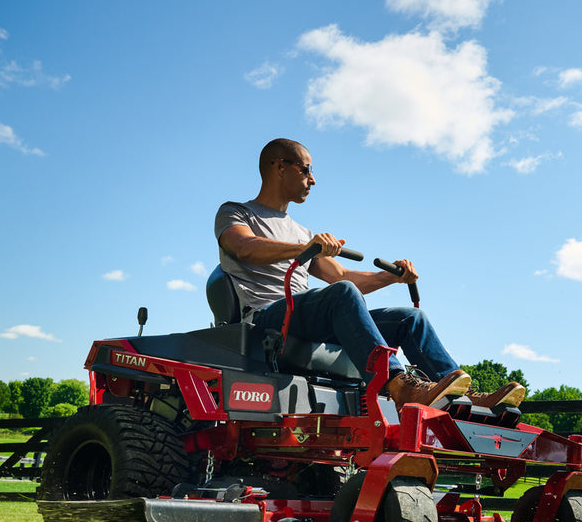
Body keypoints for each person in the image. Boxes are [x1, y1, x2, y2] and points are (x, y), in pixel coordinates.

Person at [215, 138, 526, 411]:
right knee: (344, 293)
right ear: (279, 167)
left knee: (409, 319)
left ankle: (465, 397)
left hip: (305, 317)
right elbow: (243, 247)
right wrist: (303, 249)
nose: (313, 179)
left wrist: (394, 277)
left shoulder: (301, 232)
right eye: (306, 169)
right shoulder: (237, 212)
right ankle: (399, 385)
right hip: (265, 317)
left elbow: (342, 278)